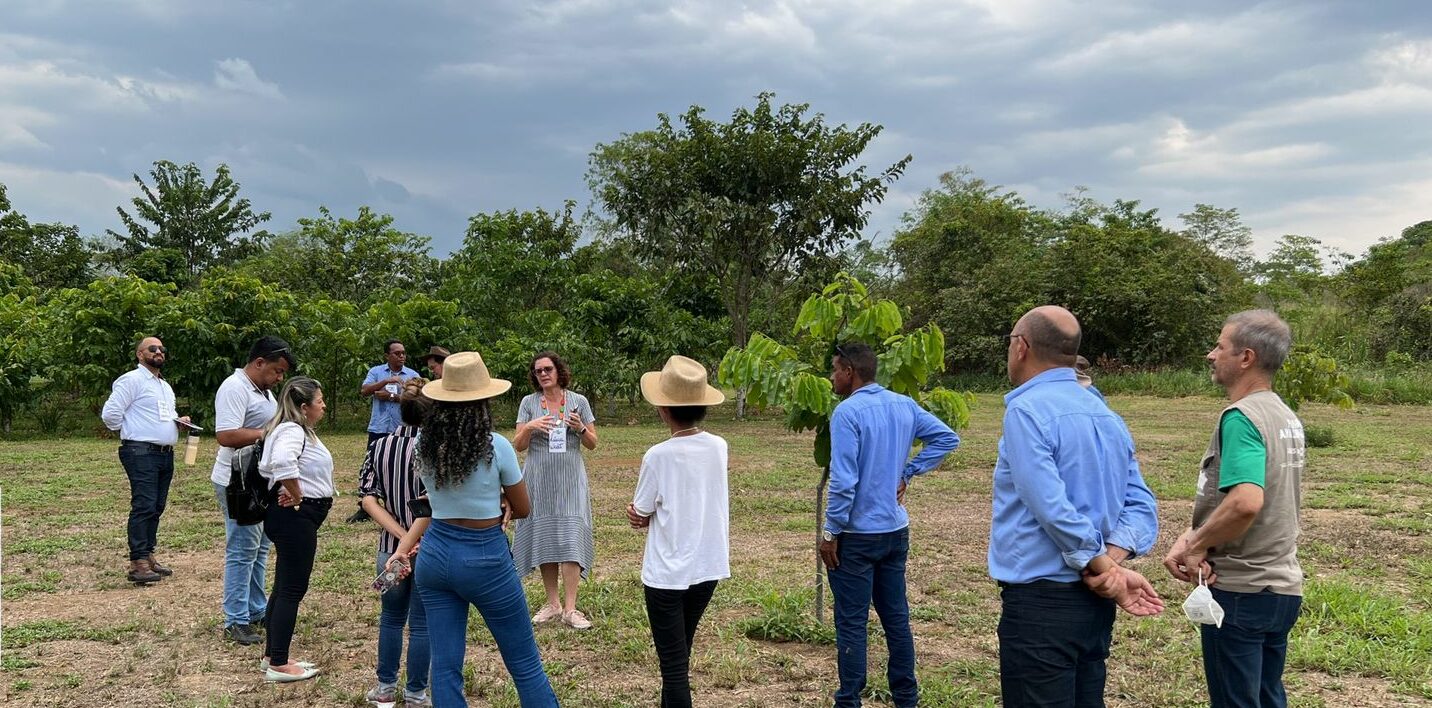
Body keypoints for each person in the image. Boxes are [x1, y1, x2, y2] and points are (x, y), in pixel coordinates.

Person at [990, 306, 1164, 708]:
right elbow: (1141, 505)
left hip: (1042, 604)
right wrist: (1113, 564)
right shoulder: (1105, 414)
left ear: (1021, 347)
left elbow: (1049, 504)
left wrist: (1101, 565)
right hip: (1095, 604)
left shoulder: (1026, 411)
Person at [385, 352, 558, 707]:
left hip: (435, 556)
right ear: (484, 400)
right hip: (484, 557)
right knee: (524, 662)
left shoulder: (424, 444)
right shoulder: (497, 446)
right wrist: (503, 500)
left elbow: (441, 498)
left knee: (445, 666)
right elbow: (523, 508)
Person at [1163, 310, 1306, 708]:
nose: (1211, 354)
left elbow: (1245, 502)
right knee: (1266, 697)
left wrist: (1195, 546)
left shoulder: (1242, 417)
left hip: (1242, 591)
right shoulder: (1283, 415)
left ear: (1245, 358)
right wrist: (1194, 536)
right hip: (1281, 587)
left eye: (1220, 346)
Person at [818, 342, 960, 708]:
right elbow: (946, 437)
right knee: (896, 617)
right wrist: (907, 472)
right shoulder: (904, 405)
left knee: (851, 622)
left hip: (856, 536)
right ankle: (906, 698)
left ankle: (848, 700)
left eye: (835, 369)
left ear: (850, 371)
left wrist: (830, 532)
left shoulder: (847, 413)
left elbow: (844, 481)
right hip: (895, 532)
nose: (832, 376)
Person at [625, 355, 730, 708]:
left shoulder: (658, 455)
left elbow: (641, 511)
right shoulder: (719, 446)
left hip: (666, 574)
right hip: (707, 567)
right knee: (680, 654)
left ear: (663, 409)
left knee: (673, 667)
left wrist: (638, 516)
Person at [211, 335, 294, 645]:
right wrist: (270, 433)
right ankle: (235, 619)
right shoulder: (235, 388)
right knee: (242, 550)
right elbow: (227, 435)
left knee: (259, 548)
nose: (279, 378)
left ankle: (256, 609)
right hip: (237, 481)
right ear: (259, 363)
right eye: (276, 371)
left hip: (256, 479)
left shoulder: (263, 392)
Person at [511, 351, 599, 630]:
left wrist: (581, 428)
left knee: (571, 537)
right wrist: (532, 426)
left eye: (548, 369)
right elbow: (518, 445)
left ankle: (571, 609)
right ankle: (552, 603)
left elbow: (593, 443)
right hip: (539, 478)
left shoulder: (578, 401)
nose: (543, 374)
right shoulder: (528, 403)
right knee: (545, 537)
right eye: (538, 371)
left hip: (570, 478)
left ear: (559, 371)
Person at [359, 378, 432, 708]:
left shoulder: (380, 446)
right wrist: (413, 539)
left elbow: (368, 499)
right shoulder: (436, 450)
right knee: (421, 623)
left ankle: (385, 688)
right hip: (428, 548)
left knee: (390, 618)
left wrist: (401, 538)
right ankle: (416, 692)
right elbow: (433, 504)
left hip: (390, 549)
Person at [257, 376, 334, 683]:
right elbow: (281, 462)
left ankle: (271, 655)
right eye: (320, 401)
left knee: (283, 587)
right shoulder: (291, 430)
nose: (324, 406)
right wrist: (298, 495)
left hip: (292, 518)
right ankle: (279, 663)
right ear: (304, 407)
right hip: (295, 518)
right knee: (292, 590)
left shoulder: (293, 430)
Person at [100, 336, 190, 585]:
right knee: (144, 504)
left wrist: (177, 422)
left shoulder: (164, 386)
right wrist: (132, 432)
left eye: (162, 348)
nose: (159, 351)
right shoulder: (132, 380)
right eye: (153, 349)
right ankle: (138, 562)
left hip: (163, 453)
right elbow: (110, 414)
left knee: (157, 506)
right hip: (141, 452)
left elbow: (160, 415)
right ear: (140, 354)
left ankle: (148, 555)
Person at [361, 339, 421, 446]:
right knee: (375, 459)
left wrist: (392, 396)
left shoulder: (413, 375)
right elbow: (364, 391)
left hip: (403, 429)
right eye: (397, 353)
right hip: (379, 428)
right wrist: (385, 381)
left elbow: (419, 401)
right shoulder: (375, 372)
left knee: (400, 459)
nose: (401, 356)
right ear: (387, 356)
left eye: (403, 353)